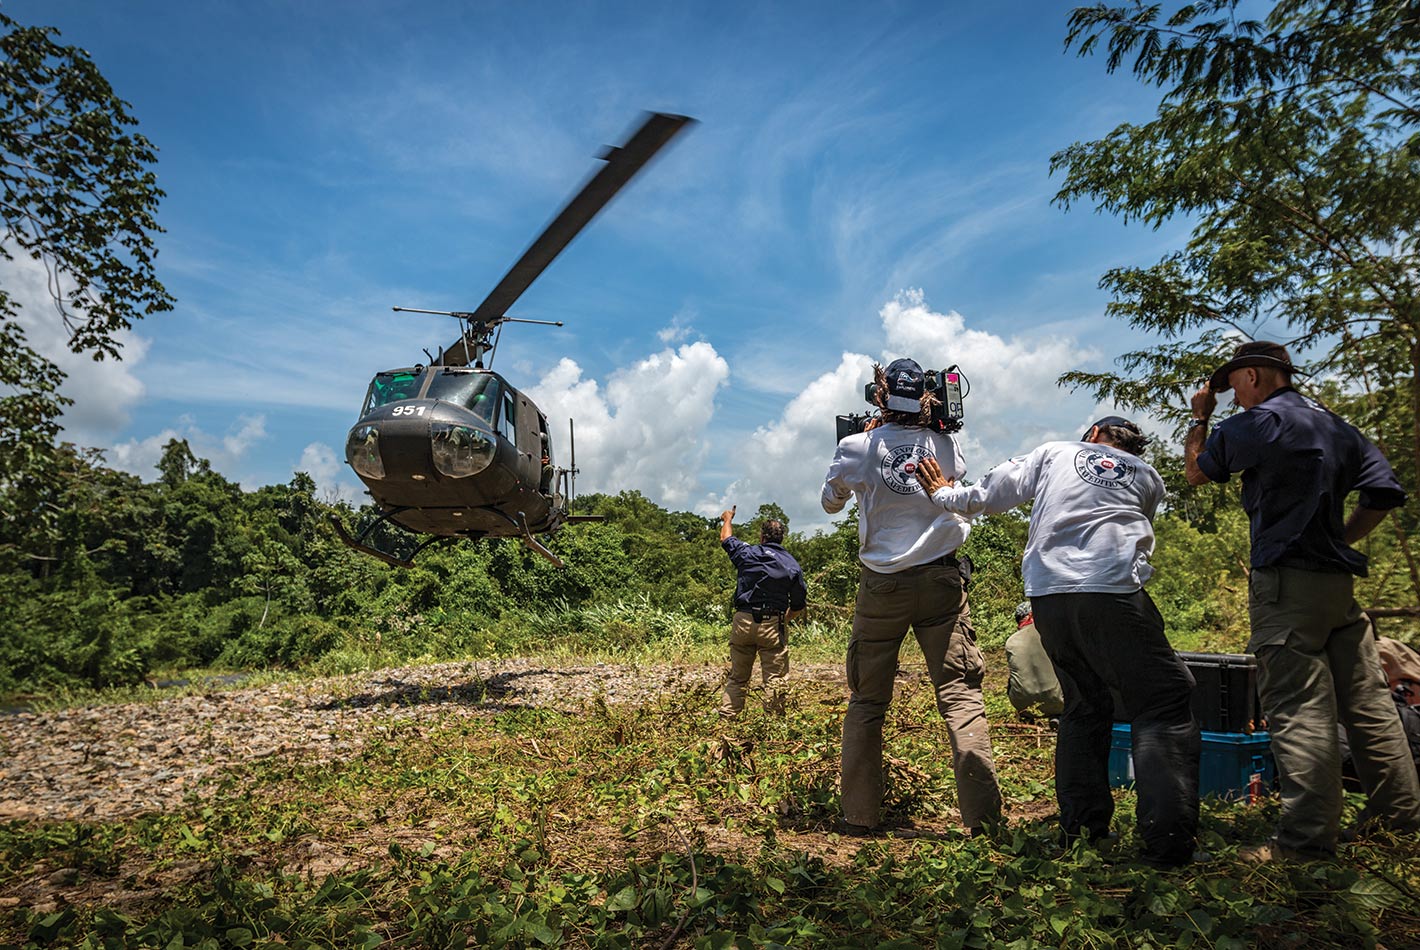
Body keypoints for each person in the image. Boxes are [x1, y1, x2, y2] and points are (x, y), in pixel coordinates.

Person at [917, 416, 1201, 868]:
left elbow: (990, 494)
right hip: (1112, 594)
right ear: (1135, 449)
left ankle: (1082, 832)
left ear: (1090, 435)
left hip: (1049, 597)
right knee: (1163, 701)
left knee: (1084, 704)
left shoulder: (1054, 451)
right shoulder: (1149, 478)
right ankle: (1167, 847)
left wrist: (943, 494)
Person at [1184, 340, 1420, 860]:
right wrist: (1338, 539)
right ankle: (1399, 821)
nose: (1233, 396)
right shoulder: (1337, 425)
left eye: (1234, 386)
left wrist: (1201, 416)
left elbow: (1197, 472)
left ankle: (1306, 844)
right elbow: (1384, 493)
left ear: (1252, 375)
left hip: (1288, 586)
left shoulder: (1259, 423)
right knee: (1369, 704)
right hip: (1339, 587)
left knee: (1298, 708)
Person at [821, 358, 1002, 835]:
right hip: (942, 580)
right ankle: (985, 822)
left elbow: (830, 501)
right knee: (961, 697)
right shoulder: (945, 443)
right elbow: (955, 474)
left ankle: (859, 817)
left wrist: (865, 446)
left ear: (879, 395)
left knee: (866, 701)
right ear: (928, 396)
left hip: (882, 585)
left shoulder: (856, 446)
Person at [718, 505, 807, 717]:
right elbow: (798, 603)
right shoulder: (791, 564)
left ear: (762, 536)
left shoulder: (747, 553)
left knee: (738, 676)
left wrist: (728, 519)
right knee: (775, 679)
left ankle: (728, 717)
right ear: (782, 538)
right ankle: (773, 725)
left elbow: (726, 539)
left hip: (743, 620)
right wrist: (785, 619)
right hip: (772, 623)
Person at [1005, 602, 1064, 722]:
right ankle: (1057, 716)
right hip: (1058, 700)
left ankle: (1026, 717)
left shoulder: (1011, 641)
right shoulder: (1050, 632)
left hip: (1022, 704)